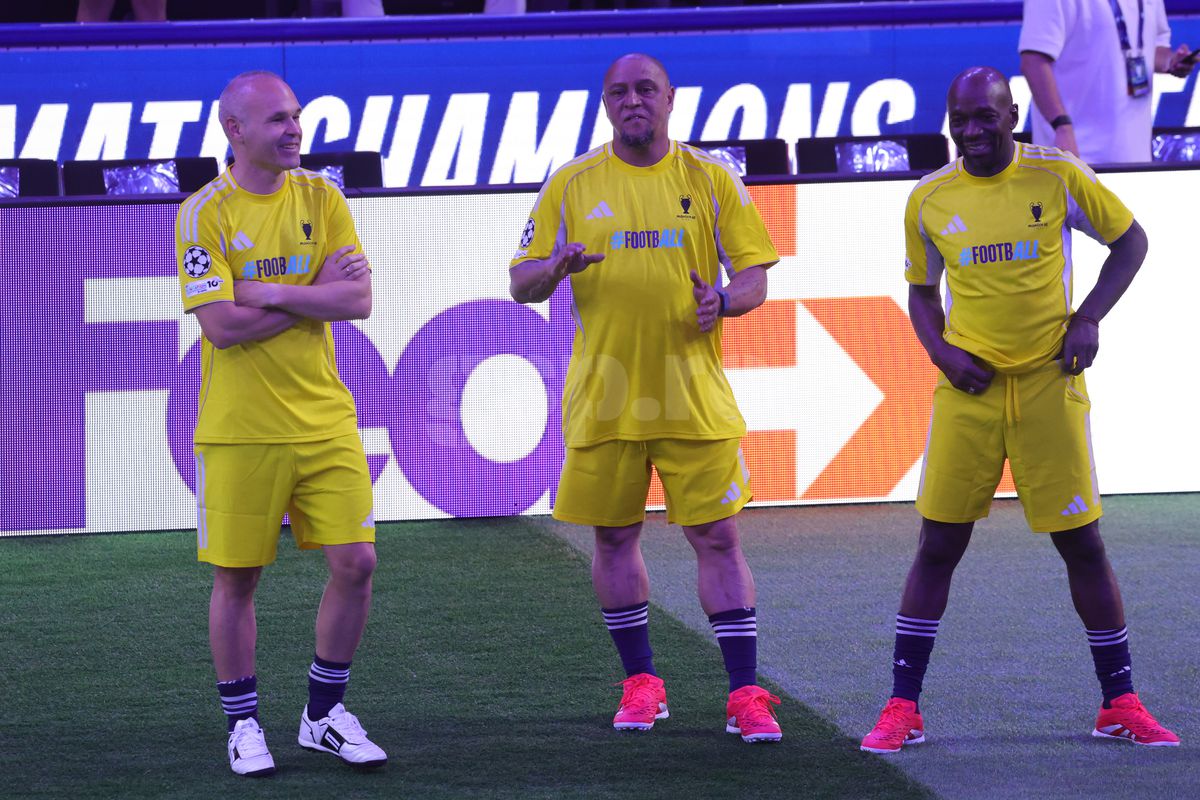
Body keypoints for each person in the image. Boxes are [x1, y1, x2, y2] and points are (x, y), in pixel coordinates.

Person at [860, 66, 1178, 753]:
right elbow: (922, 292)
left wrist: (1088, 317)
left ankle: (1119, 702)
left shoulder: (1056, 175)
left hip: (1048, 386)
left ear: (1012, 116)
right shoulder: (928, 199)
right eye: (960, 120)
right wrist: (942, 354)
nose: (972, 131)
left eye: (986, 117)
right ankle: (902, 708)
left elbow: (1132, 242)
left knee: (1082, 544)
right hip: (968, 394)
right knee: (938, 546)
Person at [509, 53, 782, 743]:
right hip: (604, 397)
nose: (632, 101)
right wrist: (554, 267)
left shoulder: (711, 177)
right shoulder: (570, 182)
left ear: (670, 97)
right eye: (619, 92)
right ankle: (642, 683)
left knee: (717, 537)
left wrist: (724, 301)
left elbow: (755, 276)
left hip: (693, 395)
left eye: (645, 89)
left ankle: (745, 693)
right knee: (612, 537)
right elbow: (521, 283)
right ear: (605, 104)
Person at [174, 70, 386, 776]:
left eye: (296, 116)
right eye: (277, 120)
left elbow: (357, 300)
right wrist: (310, 290)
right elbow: (222, 327)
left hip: (326, 419)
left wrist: (263, 288)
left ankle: (323, 716)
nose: (294, 129)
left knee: (357, 563)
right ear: (235, 130)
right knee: (237, 579)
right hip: (239, 429)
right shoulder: (202, 213)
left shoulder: (323, 197)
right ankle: (243, 724)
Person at [1020, 0, 1194, 164]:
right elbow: (1033, 62)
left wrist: (1171, 61)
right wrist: (1062, 127)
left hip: (1134, 158)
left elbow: (1152, 47)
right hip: (1073, 156)